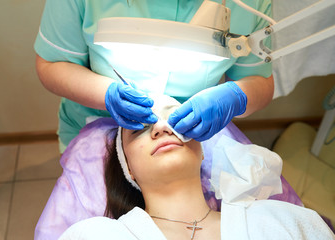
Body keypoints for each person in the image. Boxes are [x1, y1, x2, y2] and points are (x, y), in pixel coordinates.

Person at [58, 96, 334, 240]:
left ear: (202, 149)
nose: (162, 128)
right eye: (140, 129)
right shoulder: (96, 235)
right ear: (128, 169)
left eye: (176, 121)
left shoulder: (285, 221)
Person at [35, 0, 275, 153]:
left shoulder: (248, 5)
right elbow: (53, 64)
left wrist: (236, 97)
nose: (161, 130)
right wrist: (105, 94)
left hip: (196, 136)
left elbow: (259, 81)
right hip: (94, 130)